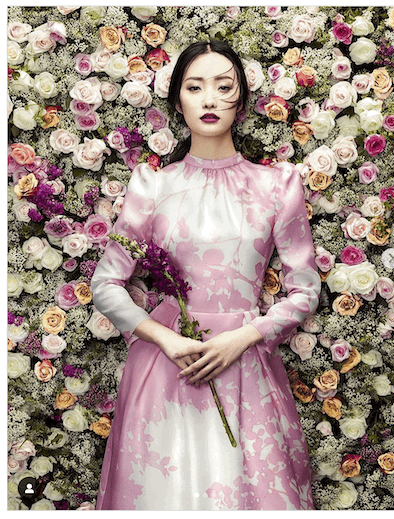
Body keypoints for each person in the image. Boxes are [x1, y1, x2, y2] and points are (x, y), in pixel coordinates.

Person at [91, 40, 321, 510]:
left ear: (241, 99)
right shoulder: (153, 186)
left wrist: (243, 337)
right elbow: (106, 282)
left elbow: (304, 290)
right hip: (166, 367)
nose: (210, 99)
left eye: (223, 86)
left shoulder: (277, 186)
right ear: (179, 100)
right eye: (196, 87)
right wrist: (165, 339)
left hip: (245, 362)